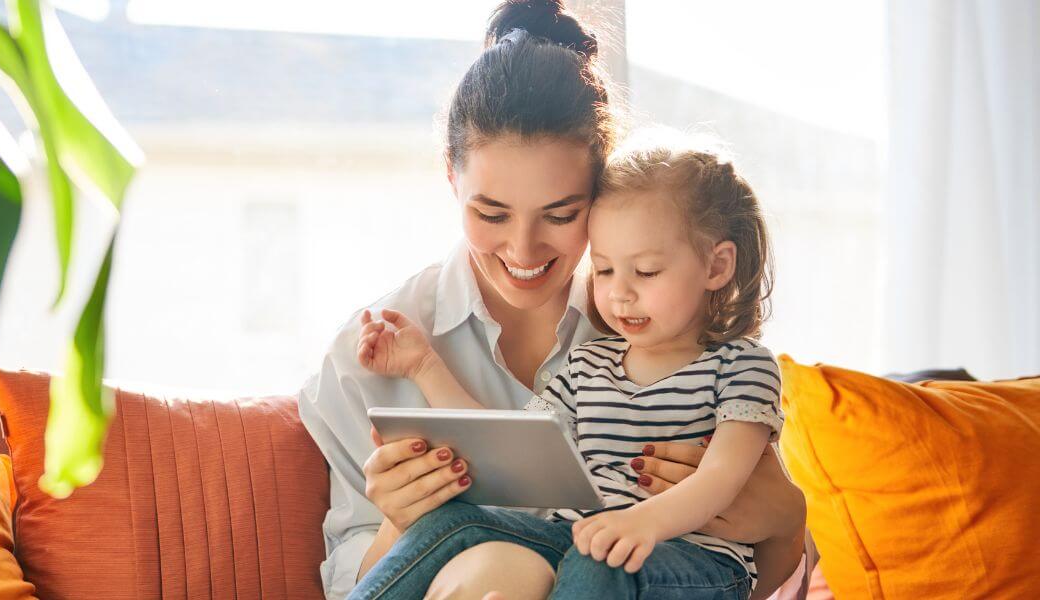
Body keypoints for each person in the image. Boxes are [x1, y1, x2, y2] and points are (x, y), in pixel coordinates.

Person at [296, 2, 806, 598]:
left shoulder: (665, 327)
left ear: (602, 192)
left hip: (649, 569)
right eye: (491, 213)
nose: (523, 247)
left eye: (562, 214)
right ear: (451, 178)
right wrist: (401, 519)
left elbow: (758, 574)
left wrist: (785, 521)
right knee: (495, 567)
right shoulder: (370, 355)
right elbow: (350, 578)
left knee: (555, 566)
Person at [353, 133, 783, 598]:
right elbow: (510, 443)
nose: (620, 292)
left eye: (646, 271)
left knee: (597, 557)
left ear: (716, 267)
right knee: (454, 522)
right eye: (603, 269)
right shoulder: (587, 365)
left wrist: (639, 523)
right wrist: (424, 367)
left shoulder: (743, 367)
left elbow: (722, 477)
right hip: (588, 543)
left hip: (700, 563)